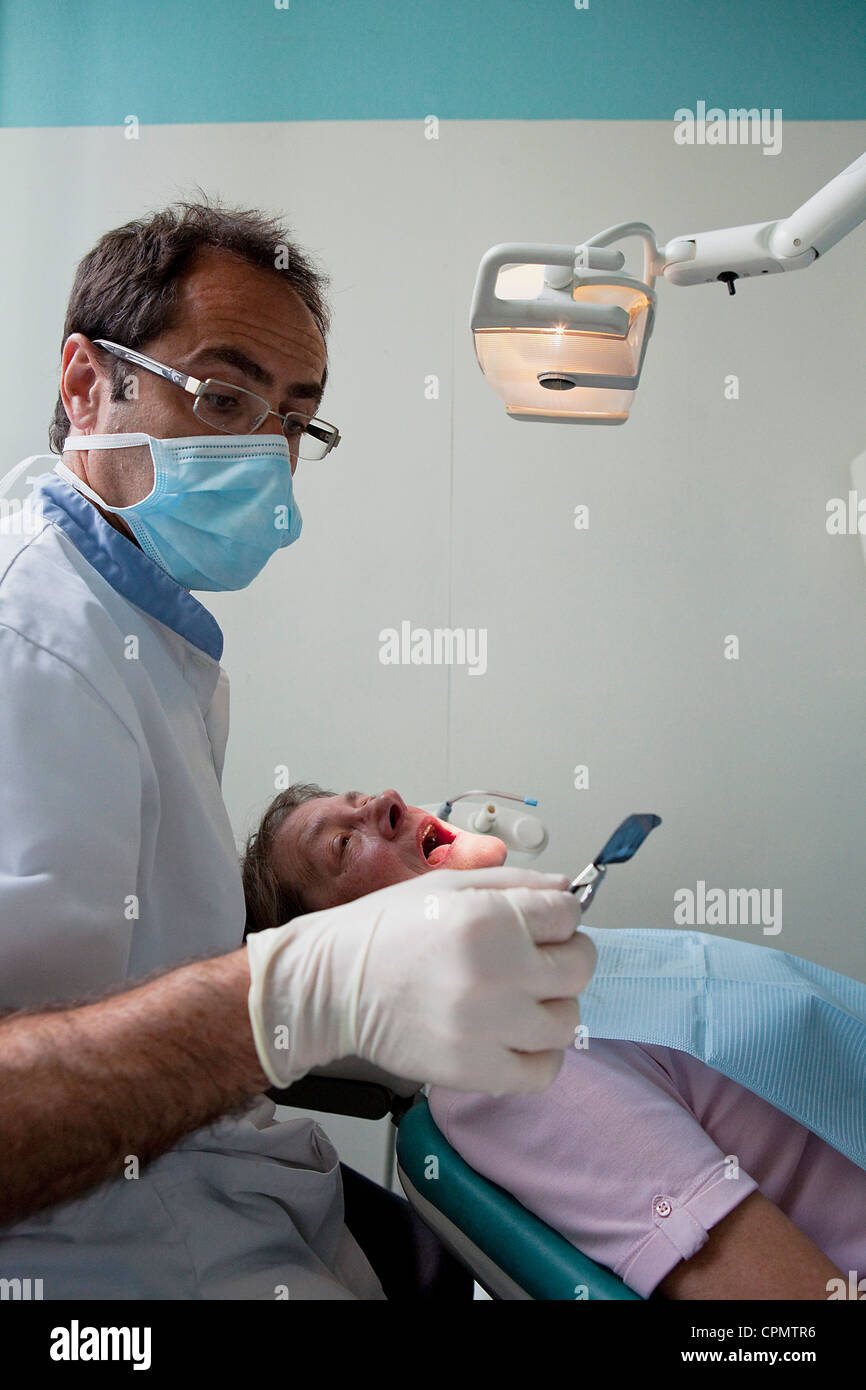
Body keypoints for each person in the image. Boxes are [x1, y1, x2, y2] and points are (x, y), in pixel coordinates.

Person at [0, 199, 596, 1300]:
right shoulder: (30, 634)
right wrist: (298, 995)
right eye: (223, 396)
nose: (264, 455)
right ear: (87, 384)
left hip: (239, 1194)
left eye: (292, 422)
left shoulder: (150, 642)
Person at [242, 782, 866, 1300]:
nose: (387, 799)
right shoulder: (512, 1071)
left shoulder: (556, 983)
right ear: (344, 957)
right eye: (344, 844)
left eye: (359, 798)